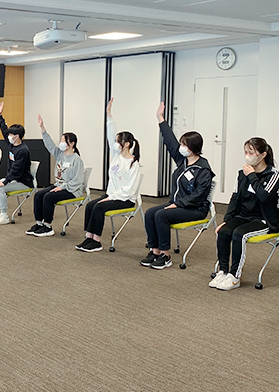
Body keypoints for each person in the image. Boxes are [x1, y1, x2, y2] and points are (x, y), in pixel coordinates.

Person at [141, 102, 214, 270]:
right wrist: (160, 118)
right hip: (178, 204)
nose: (181, 147)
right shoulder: (183, 161)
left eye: (184, 145)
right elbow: (170, 141)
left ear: (193, 148)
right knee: (150, 212)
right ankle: (154, 251)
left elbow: (200, 195)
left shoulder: (203, 169)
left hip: (195, 208)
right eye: (181, 144)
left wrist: (178, 204)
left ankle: (165, 255)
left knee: (161, 215)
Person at [210, 138, 279, 290]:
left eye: (251, 153)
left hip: (264, 220)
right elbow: (235, 198)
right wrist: (227, 220)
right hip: (243, 216)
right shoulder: (242, 174)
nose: (247, 156)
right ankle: (223, 271)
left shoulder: (274, 175)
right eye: (245, 152)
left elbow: (264, 196)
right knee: (223, 232)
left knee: (239, 234)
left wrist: (252, 175)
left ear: (262, 155)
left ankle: (234, 276)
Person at [76, 98, 141, 252]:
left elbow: (129, 190)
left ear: (127, 144)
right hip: (111, 195)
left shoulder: (133, 163)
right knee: (90, 205)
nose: (115, 144)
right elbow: (111, 133)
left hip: (125, 199)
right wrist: (109, 114)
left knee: (99, 207)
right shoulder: (116, 156)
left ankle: (96, 241)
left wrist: (111, 197)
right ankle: (89, 237)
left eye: (119, 142)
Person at [25, 115, 84, 237]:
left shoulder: (77, 160)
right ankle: (39, 223)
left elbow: (78, 181)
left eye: (64, 141)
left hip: (72, 190)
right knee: (38, 195)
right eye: (61, 140)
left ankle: (48, 226)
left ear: (72, 143)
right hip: (59, 185)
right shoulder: (60, 154)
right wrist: (42, 128)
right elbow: (49, 144)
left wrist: (62, 187)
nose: (61, 143)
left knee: (48, 197)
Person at [0, 102, 33, 225]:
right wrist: (0, 116)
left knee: (0, 188)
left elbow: (17, 170)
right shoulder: (11, 144)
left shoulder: (23, 151)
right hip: (13, 179)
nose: (8, 136)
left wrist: (5, 181)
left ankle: (4, 215)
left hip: (23, 182)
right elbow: (4, 130)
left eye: (11, 135)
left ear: (17, 136)